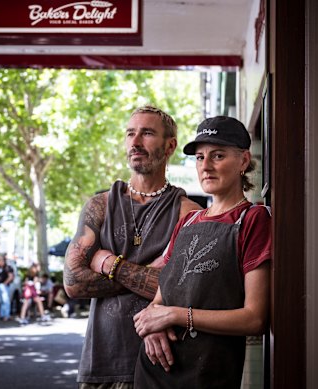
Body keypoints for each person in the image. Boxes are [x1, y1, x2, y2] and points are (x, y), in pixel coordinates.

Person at [63, 105, 201, 388]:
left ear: (170, 145)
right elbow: (74, 283)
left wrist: (108, 264)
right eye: (130, 134)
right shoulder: (100, 205)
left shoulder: (188, 213)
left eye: (147, 133)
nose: (135, 143)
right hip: (102, 367)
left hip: (165, 367)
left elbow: (187, 291)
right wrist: (152, 277)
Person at [128, 116, 272, 388]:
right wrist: (150, 328)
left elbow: (255, 318)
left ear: (243, 161)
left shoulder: (253, 219)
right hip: (151, 373)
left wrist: (174, 315)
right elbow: (159, 301)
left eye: (218, 156)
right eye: (200, 157)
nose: (205, 166)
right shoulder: (188, 221)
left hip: (206, 375)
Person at [0, 254, 14, 321]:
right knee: (2, 301)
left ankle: (6, 315)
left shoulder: (7, 268)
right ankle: (2, 314)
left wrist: (5, 283)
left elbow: (11, 276)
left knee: (6, 301)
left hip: (4, 286)